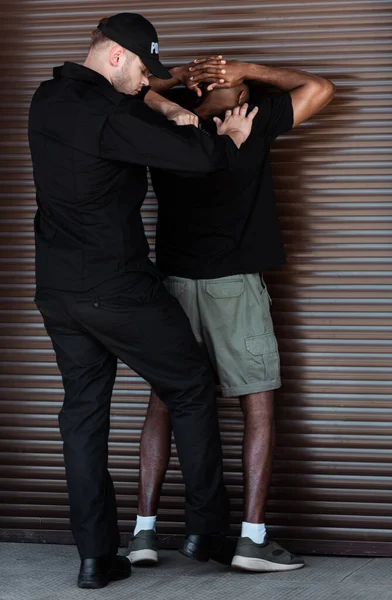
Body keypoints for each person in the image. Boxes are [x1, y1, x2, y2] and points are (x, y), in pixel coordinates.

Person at [28, 14, 258, 589]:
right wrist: (225, 137)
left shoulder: (48, 97)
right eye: (140, 69)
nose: (144, 81)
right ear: (113, 57)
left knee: (82, 419)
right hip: (117, 288)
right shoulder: (108, 115)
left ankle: (94, 558)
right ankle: (206, 529)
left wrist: (165, 103)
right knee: (190, 386)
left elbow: (134, 104)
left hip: (59, 293)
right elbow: (198, 160)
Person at [127, 57, 335, 572]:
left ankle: (143, 534)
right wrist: (237, 70)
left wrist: (183, 78)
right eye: (221, 74)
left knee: (163, 403)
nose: (232, 79)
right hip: (234, 288)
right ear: (208, 87)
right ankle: (252, 540)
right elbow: (319, 87)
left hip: (174, 285)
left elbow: (129, 91)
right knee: (257, 405)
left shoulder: (165, 123)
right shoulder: (249, 122)